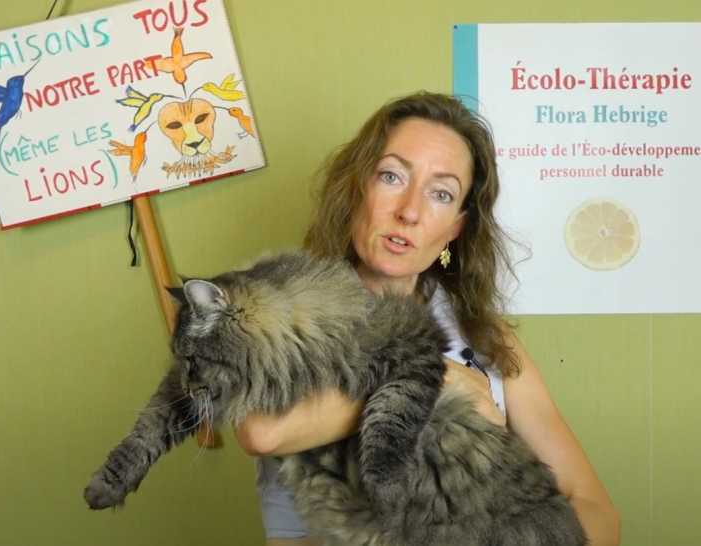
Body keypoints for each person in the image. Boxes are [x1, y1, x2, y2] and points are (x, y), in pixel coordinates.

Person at [234, 92, 621, 546]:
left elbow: (596, 510)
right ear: (355, 188)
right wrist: (436, 383)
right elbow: (262, 431)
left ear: (455, 227)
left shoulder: (482, 333)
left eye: (441, 194)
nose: (410, 211)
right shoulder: (285, 311)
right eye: (392, 176)